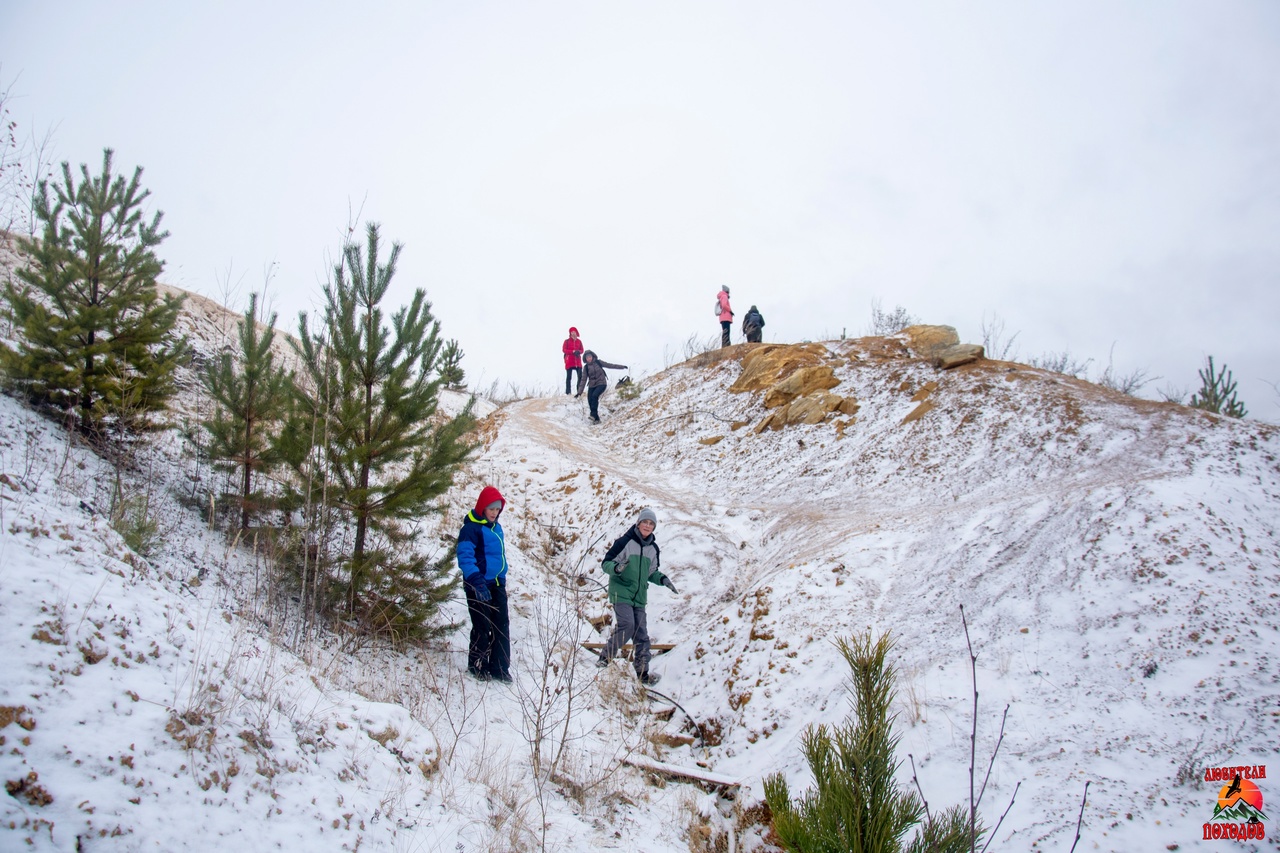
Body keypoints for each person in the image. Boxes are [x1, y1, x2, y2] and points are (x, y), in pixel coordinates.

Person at [597, 508, 678, 685]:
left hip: (639, 596)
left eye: (651, 524)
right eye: (645, 522)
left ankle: (642, 674)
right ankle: (604, 658)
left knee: (641, 635)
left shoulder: (653, 549)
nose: (647, 526)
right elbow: (606, 564)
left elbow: (651, 572)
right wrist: (617, 568)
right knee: (627, 625)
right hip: (621, 591)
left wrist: (663, 579)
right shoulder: (624, 542)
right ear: (638, 523)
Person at [456, 486, 511, 683]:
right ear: (482, 508)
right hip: (477, 584)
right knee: (482, 625)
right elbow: (465, 556)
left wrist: (501, 578)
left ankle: (499, 668)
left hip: (496, 584)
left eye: (497, 509)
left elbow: (499, 557)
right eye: (491, 509)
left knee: (501, 624)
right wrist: (476, 581)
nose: (495, 513)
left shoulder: (497, 528)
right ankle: (478, 664)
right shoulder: (471, 529)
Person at [576, 350, 627, 424]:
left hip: (601, 383)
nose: (589, 358)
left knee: (594, 396)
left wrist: (622, 367)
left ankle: (593, 414)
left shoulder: (598, 362)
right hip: (592, 385)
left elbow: (610, 365)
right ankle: (596, 419)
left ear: (592, 356)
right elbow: (583, 380)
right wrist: (579, 392)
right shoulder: (586, 368)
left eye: (590, 356)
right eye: (587, 357)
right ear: (585, 359)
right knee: (590, 400)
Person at [562, 327, 584, 396]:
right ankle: (568, 392)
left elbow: (582, 350)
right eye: (572, 332)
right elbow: (564, 350)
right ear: (570, 333)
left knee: (580, 376)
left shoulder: (579, 341)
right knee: (569, 377)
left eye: (574, 332)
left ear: (576, 332)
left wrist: (578, 351)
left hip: (577, 361)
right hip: (569, 361)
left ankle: (579, 391)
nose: (573, 333)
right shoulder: (567, 341)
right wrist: (572, 351)